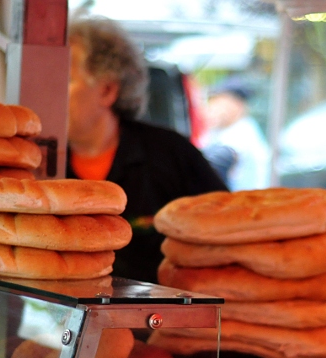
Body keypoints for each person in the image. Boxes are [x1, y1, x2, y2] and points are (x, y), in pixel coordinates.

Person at [66, 18, 228, 284]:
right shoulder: (38, 163)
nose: (48, 90)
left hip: (162, 321)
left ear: (107, 90)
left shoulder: (169, 153)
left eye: (67, 80)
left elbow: (228, 231)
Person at [201, 78, 271, 191]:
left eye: (220, 103)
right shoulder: (221, 130)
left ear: (238, 105)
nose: (213, 109)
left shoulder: (242, 133)